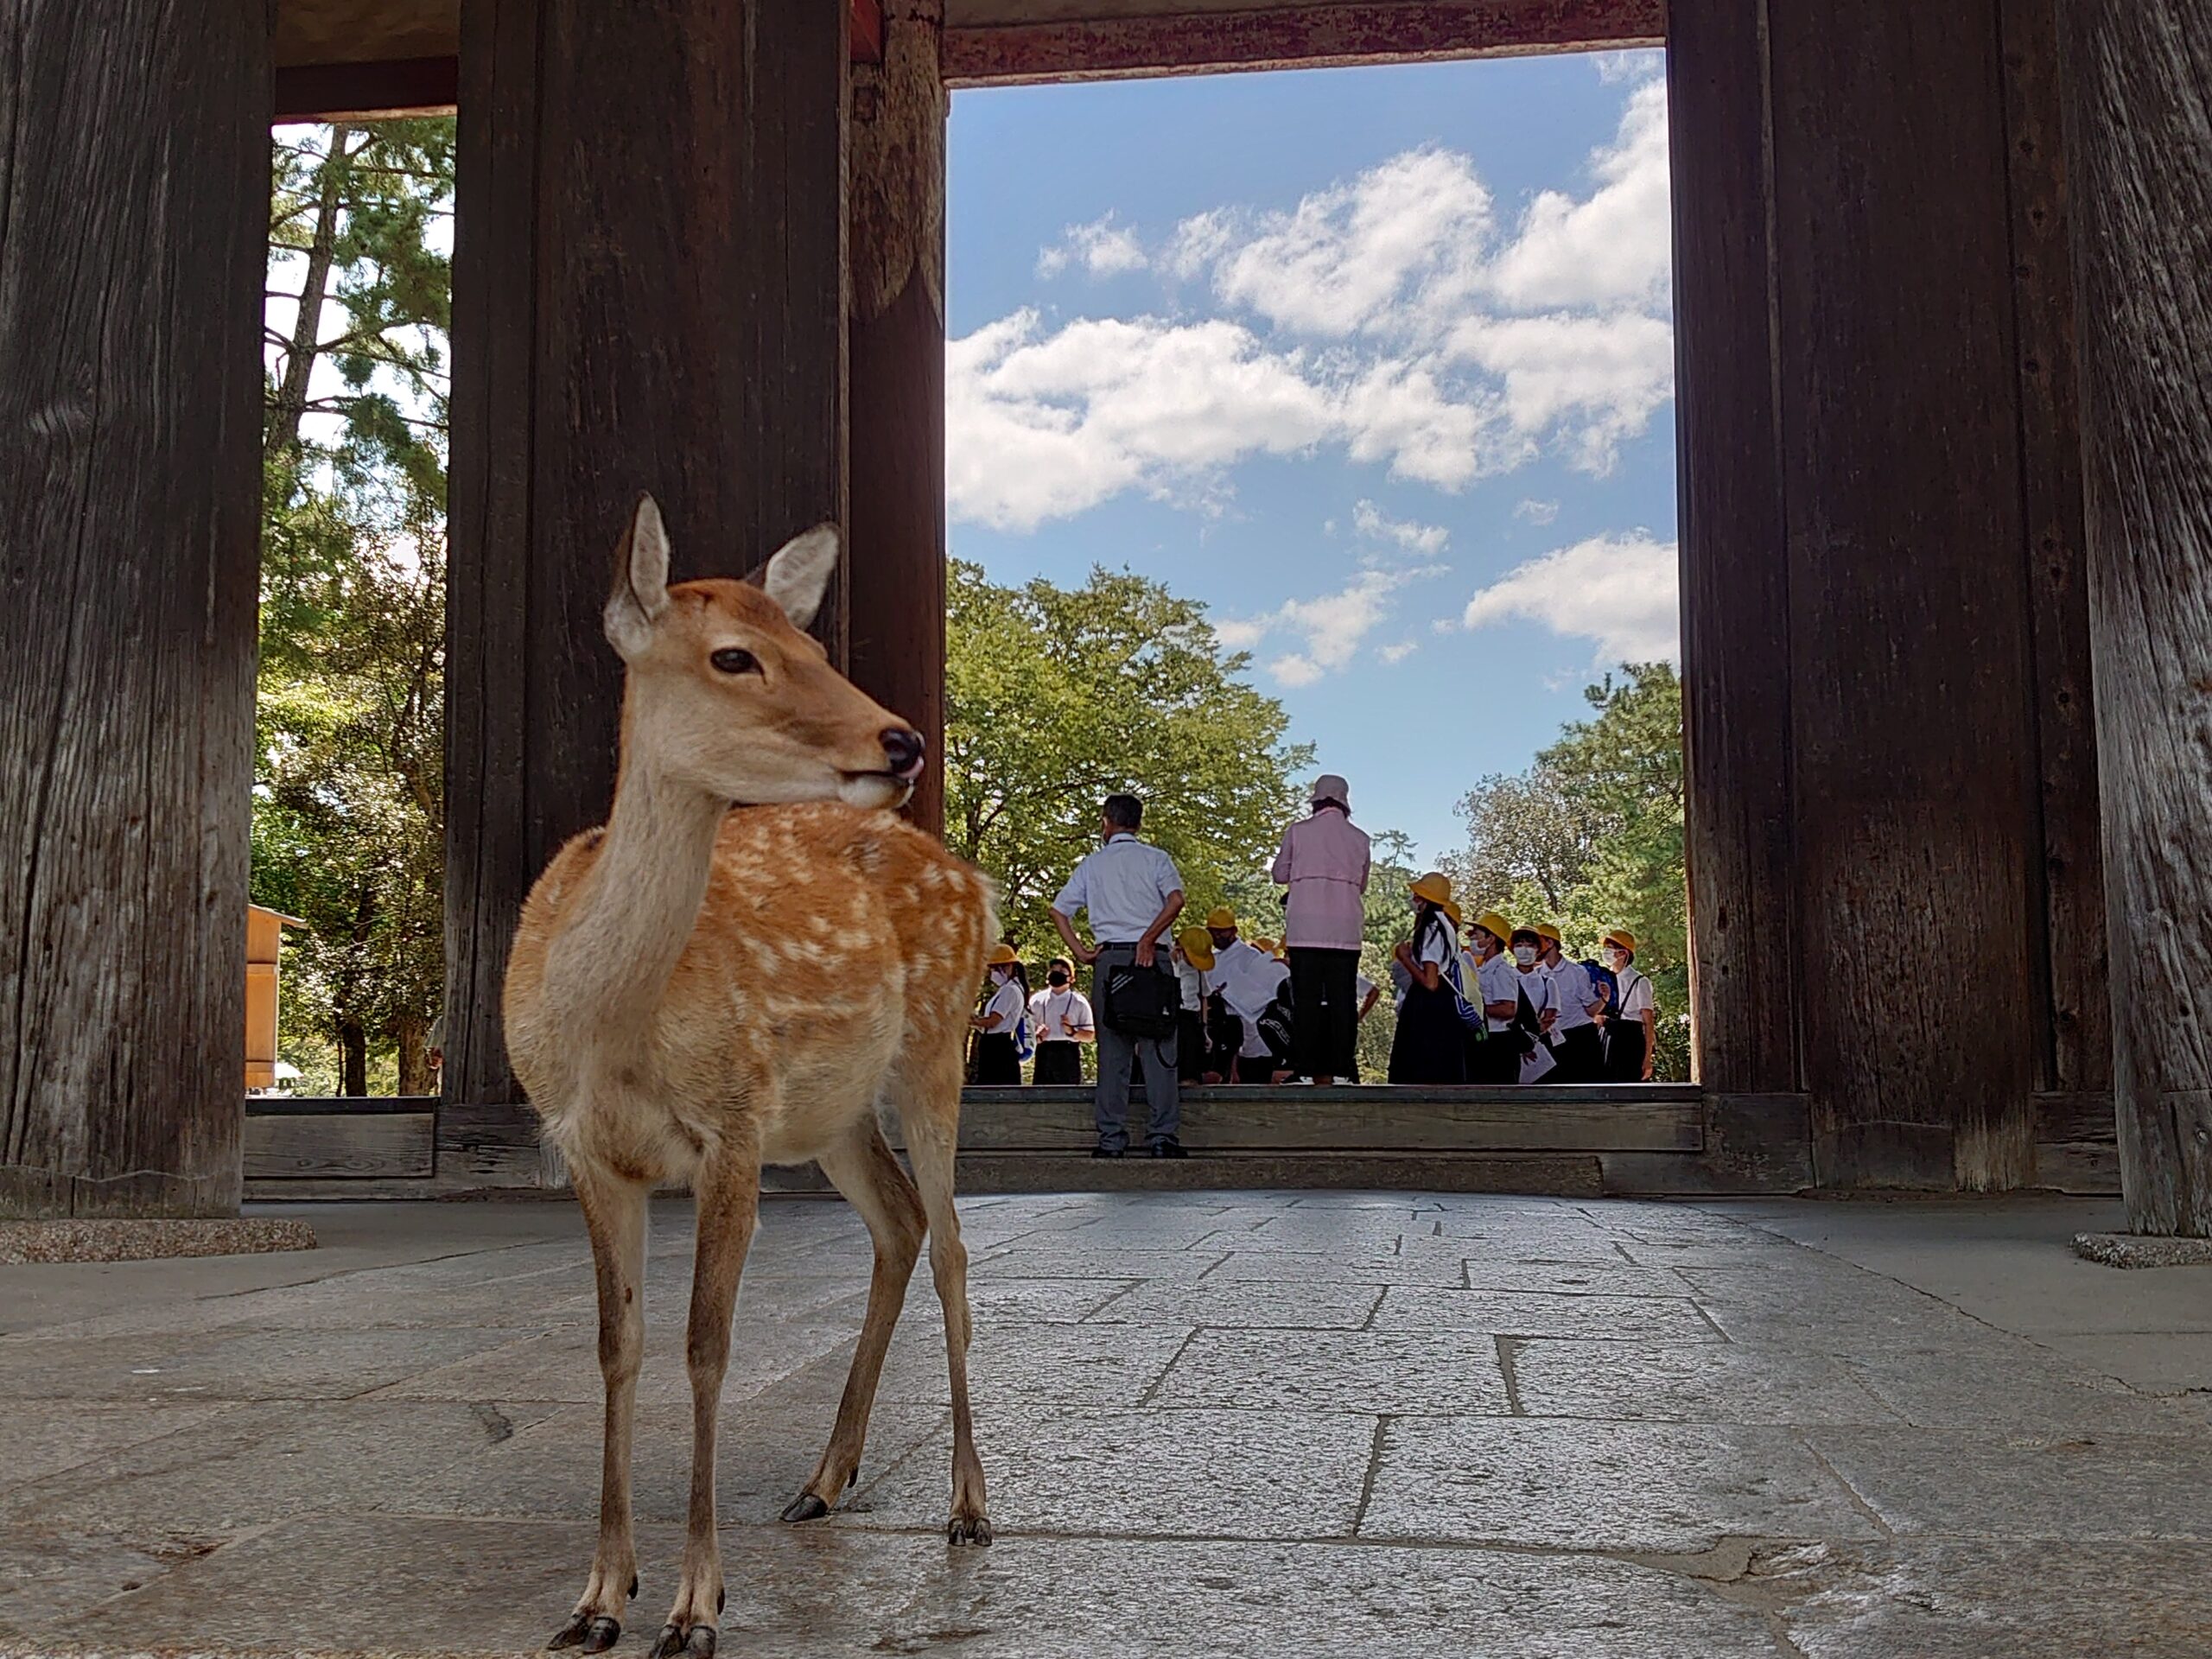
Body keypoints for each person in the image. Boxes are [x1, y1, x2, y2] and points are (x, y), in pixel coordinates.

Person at [1050, 793, 1188, 1158]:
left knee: (1113, 1053)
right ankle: (1162, 1137)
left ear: (1105, 823)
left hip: (1111, 960)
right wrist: (1148, 938)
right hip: (1153, 958)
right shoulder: (1157, 859)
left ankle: (1111, 1139)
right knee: (1160, 1051)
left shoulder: (1092, 865)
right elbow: (1175, 900)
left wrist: (1080, 952)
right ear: (1138, 824)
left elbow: (1058, 910)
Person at [1272, 776, 1373, 1082]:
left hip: (1305, 927)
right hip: (1346, 930)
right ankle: (1342, 1070)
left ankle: (1304, 1070)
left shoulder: (1298, 832)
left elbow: (1279, 874)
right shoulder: (1361, 838)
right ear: (1345, 802)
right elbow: (1363, 884)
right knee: (1344, 1002)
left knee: (1306, 1002)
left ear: (1315, 800)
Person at [1388, 873, 1466, 1084]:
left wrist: (1405, 959)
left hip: (1428, 1009)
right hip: (1445, 1006)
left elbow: (1430, 982)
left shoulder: (1432, 928)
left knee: (1419, 1070)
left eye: (1417, 895)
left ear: (1425, 899)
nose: (1413, 899)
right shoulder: (1447, 927)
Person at [1206, 908, 1292, 1083]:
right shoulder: (1210, 958)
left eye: (1222, 931)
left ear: (1234, 931)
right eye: (1213, 932)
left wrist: (1229, 992)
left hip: (1244, 1027)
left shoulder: (1250, 957)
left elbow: (1264, 995)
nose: (1217, 936)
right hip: (1214, 1024)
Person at [1535, 924, 1606, 1082]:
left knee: (1588, 1087)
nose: (1534, 948)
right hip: (1551, 1037)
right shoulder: (1537, 974)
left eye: (1538, 942)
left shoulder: (1577, 972)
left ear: (1550, 943)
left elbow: (1591, 1010)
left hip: (1580, 1037)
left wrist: (1604, 999)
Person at [1465, 910, 1523, 1085]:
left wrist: (1477, 1009)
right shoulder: (1483, 968)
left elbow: (1508, 1009)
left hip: (1498, 1043)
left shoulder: (1501, 970)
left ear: (1491, 939)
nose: (1472, 938)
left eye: (1477, 934)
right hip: (1485, 1038)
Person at [1599, 929, 1658, 1083]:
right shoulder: (1603, 978)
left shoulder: (1640, 981)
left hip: (1630, 1037)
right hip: (1607, 1032)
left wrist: (1647, 1058)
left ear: (1623, 953)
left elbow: (1648, 1021)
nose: (1606, 952)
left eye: (1610, 948)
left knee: (1628, 1082)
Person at [1027, 957, 1094, 1085]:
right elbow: (1027, 1035)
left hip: (1068, 1052)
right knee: (1041, 1094)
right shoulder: (1036, 1000)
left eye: (1062, 971)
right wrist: (1037, 1037)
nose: (1056, 974)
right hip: (1044, 1052)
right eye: (1053, 970)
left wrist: (1072, 1031)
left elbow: (1090, 1036)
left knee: (1067, 1094)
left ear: (1071, 978)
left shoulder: (1079, 1002)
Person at [1171, 927, 1224, 1084]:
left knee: (1192, 1070)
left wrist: (1204, 1029)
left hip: (1192, 1019)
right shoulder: (1170, 964)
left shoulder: (1198, 971)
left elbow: (1204, 997)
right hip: (1174, 1017)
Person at [969, 944, 1027, 1085]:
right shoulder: (1006, 989)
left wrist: (971, 1021)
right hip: (993, 1043)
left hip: (998, 1047)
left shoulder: (1010, 990)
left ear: (1008, 967)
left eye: (995, 969)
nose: (992, 973)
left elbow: (993, 1021)